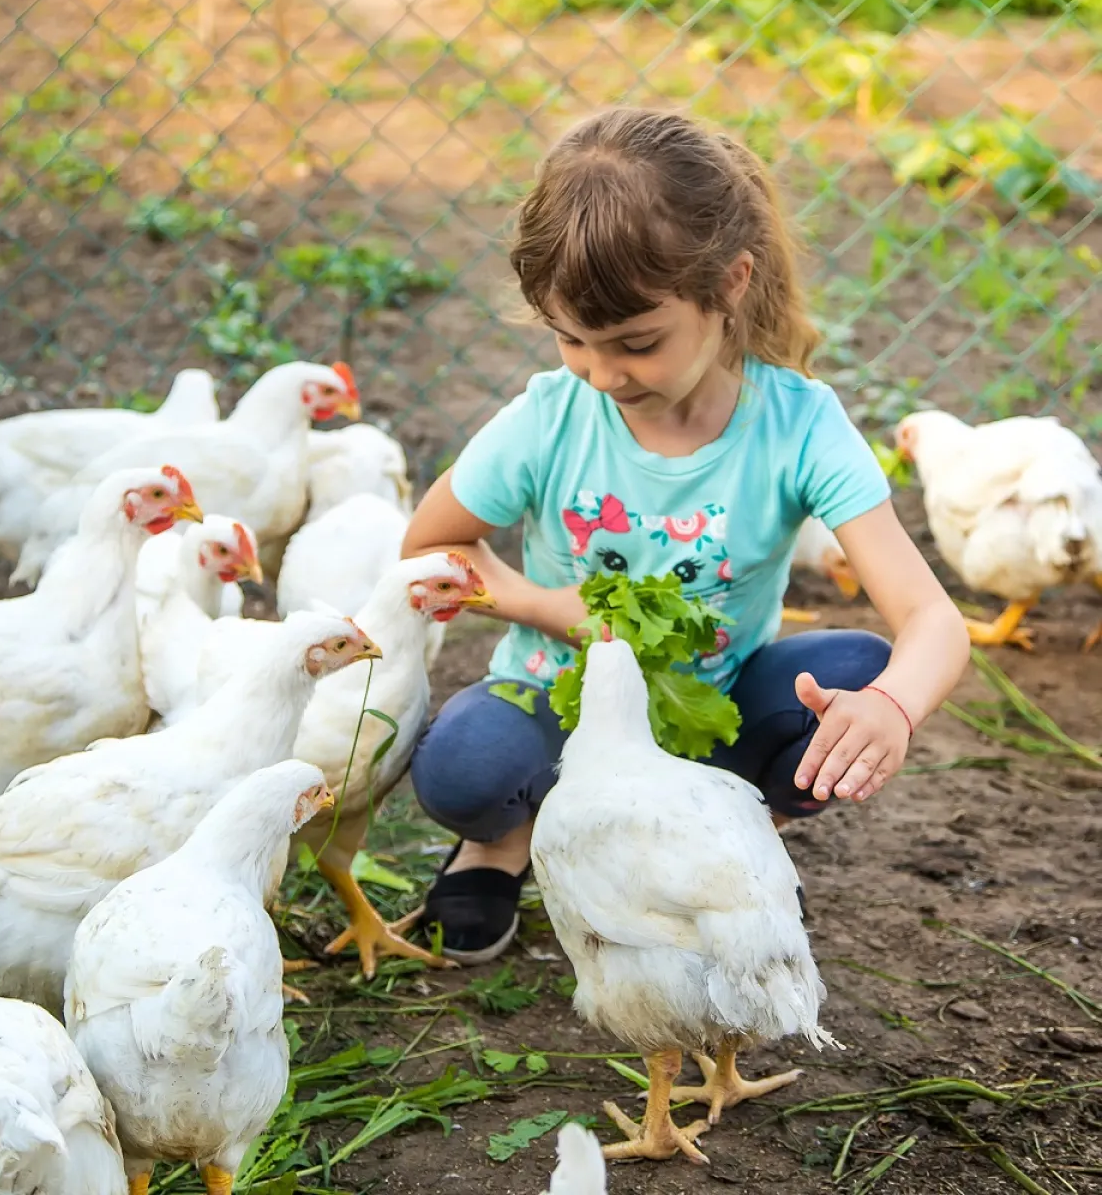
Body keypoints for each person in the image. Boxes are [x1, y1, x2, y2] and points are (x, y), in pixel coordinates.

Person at [400, 106, 969, 965]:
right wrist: (543, 606)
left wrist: (891, 706)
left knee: (856, 670)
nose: (602, 373)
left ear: (730, 284)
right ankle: (504, 843)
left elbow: (932, 620)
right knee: (462, 769)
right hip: (561, 707)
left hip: (711, 713)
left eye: (636, 343)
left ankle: (734, 832)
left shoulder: (798, 426)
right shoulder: (551, 419)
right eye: (571, 339)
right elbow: (429, 545)